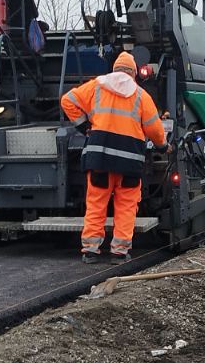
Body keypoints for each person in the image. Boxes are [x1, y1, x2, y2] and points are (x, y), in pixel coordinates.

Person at [60, 52, 166, 260]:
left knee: (97, 203)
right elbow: (155, 129)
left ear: (115, 69)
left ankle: (90, 250)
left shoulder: (96, 86)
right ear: (133, 73)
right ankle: (120, 251)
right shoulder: (141, 95)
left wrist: (85, 127)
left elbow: (67, 100)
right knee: (126, 205)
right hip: (129, 162)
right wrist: (163, 145)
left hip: (99, 158)